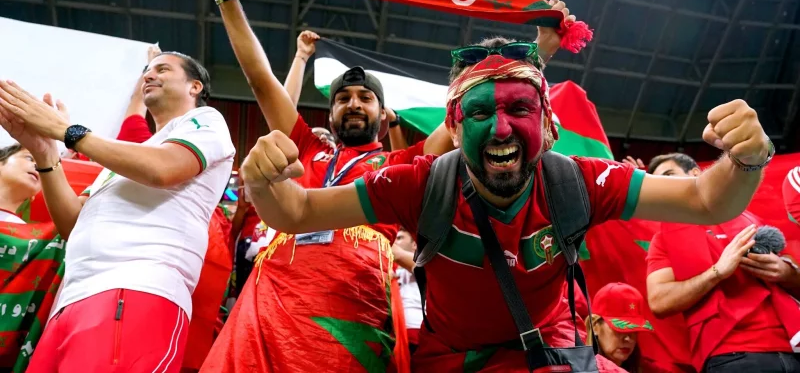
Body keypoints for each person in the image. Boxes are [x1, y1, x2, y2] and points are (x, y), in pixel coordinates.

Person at [239, 29, 775, 372]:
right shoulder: (421, 182)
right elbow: (299, 212)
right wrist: (265, 182)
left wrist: (746, 158)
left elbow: (709, 202)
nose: (500, 128)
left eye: (519, 108)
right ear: (453, 124)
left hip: (548, 355)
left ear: (547, 122)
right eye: (478, 114)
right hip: (450, 361)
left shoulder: (580, 183)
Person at [202, 0, 571, 373]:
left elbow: (474, 110)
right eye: (343, 99)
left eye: (365, 98)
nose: (353, 104)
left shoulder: (403, 165)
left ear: (382, 117)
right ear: (331, 113)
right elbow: (259, 79)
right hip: (271, 293)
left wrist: (538, 55)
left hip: (354, 300)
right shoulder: (306, 146)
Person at [0, 50, 236, 372]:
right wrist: (45, 154)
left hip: (136, 289)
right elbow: (73, 223)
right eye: (146, 71)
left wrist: (68, 131)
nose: (148, 76)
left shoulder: (206, 122)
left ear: (195, 87)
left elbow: (163, 169)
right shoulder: (125, 157)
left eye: (162, 69)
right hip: (71, 299)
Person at [646, 153, 800, 373]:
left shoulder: (754, 221)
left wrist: (786, 272)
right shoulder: (663, 239)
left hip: (792, 347)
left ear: (696, 174)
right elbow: (659, 302)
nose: (665, 186)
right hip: (732, 356)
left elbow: (796, 282)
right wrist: (716, 272)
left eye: (669, 175)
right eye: (658, 183)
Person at [585, 283, 653, 372]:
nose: (628, 339)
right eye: (620, 328)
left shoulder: (646, 368)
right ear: (594, 326)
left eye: (634, 330)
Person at [392, 229, 423, 352]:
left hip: (416, 333)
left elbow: (398, 254)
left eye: (399, 238)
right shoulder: (386, 270)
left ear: (414, 244)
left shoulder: (426, 263)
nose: (395, 242)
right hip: (391, 336)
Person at [0, 144, 40, 223]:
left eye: (43, 168)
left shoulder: (24, 234)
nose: (38, 168)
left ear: (33, 196)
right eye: (29, 158)